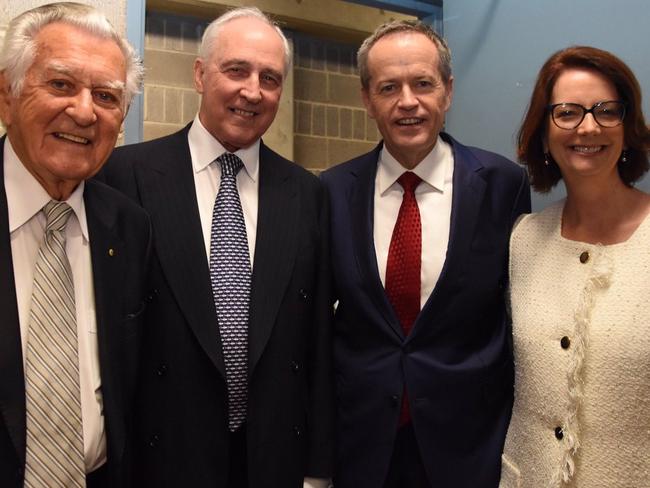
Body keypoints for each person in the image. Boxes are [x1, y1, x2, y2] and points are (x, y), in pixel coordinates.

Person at [98, 7, 333, 488]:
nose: (253, 91)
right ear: (201, 75)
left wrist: (318, 466)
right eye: (237, 70)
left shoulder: (307, 193)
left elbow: (316, 341)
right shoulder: (123, 177)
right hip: (161, 457)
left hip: (271, 458)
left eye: (270, 77)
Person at [320, 19, 530, 488]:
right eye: (388, 87)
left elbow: (517, 318)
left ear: (448, 91)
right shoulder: (331, 191)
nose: (407, 101)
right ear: (367, 99)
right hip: (362, 446)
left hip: (469, 446)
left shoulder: (503, 185)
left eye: (423, 84)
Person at [0, 3, 149, 488]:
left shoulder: (128, 227)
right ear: (7, 95)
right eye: (61, 85)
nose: (84, 111)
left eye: (105, 96)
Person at [500, 46, 650, 487]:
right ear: (543, 134)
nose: (588, 126)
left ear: (628, 127)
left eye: (607, 111)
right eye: (567, 112)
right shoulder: (523, 240)